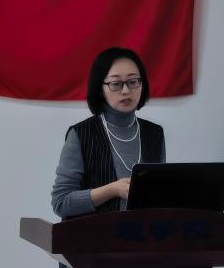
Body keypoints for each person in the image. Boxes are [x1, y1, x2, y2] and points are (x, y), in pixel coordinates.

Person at [51, 47, 166, 220]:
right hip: (94, 235)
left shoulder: (155, 133)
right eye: (116, 83)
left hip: (143, 233)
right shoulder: (81, 134)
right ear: (100, 88)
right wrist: (112, 190)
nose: (126, 90)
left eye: (133, 81)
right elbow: (61, 202)